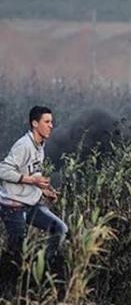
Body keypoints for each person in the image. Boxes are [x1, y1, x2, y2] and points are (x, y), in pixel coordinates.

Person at [0, 106, 68, 291]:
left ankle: (41, 272)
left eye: (51, 122)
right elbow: (3, 170)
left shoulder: (40, 145)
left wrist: (45, 190)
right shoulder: (24, 145)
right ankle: (13, 294)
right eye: (47, 122)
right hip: (13, 207)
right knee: (17, 254)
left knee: (60, 229)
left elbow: (33, 173)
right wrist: (32, 180)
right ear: (35, 123)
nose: (51, 126)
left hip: (31, 204)